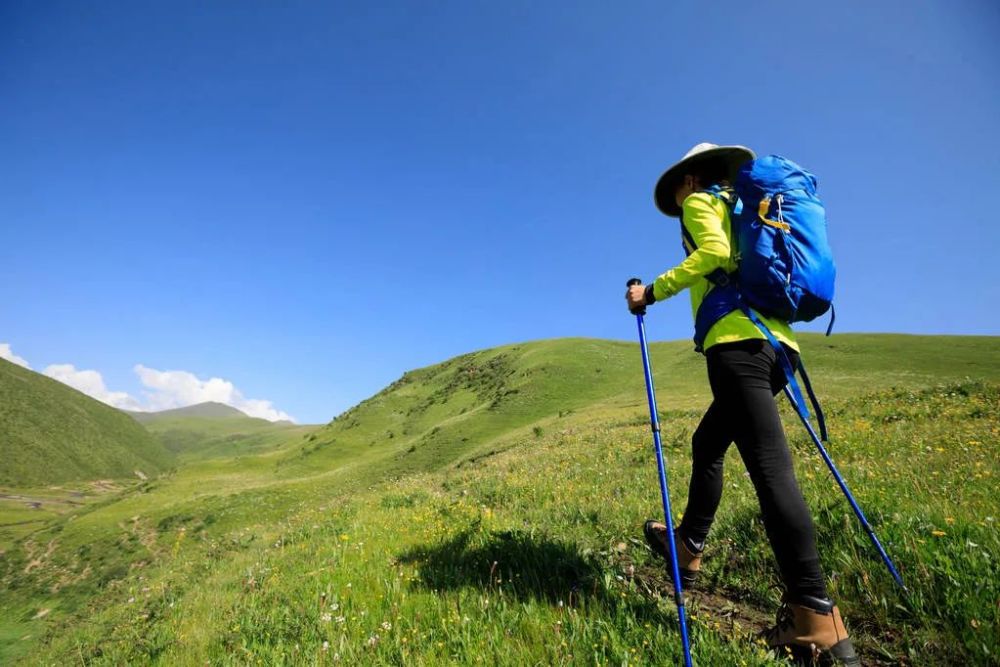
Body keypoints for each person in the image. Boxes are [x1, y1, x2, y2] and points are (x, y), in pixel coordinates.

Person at [625, 143, 859, 665]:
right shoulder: (747, 205)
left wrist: (652, 293)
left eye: (678, 187)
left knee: (771, 470)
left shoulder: (700, 202)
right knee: (707, 441)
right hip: (779, 348)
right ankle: (688, 546)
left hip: (736, 345)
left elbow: (709, 255)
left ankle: (817, 620)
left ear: (688, 179)